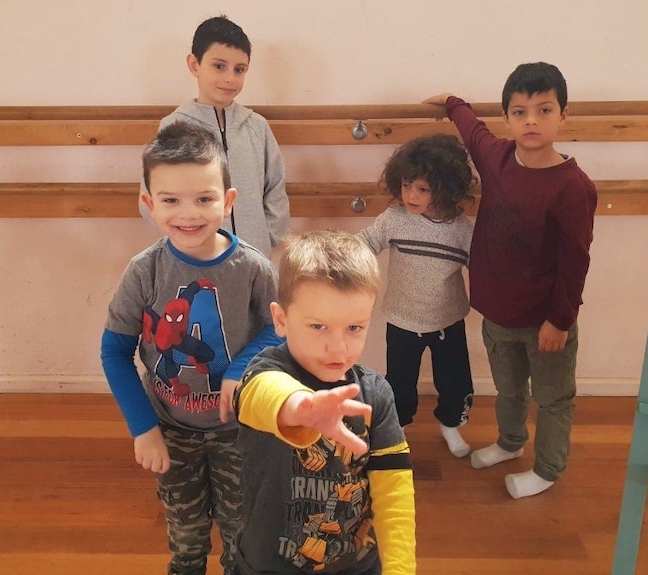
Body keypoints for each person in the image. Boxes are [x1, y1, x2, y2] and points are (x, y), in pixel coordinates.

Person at [102, 121, 283, 575]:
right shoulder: (144, 271)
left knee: (241, 532)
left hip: (238, 430)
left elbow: (277, 329)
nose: (189, 213)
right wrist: (143, 428)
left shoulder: (254, 269)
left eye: (204, 198)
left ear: (229, 201)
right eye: (171, 200)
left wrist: (240, 367)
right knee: (186, 537)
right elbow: (114, 351)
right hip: (170, 429)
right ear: (149, 204)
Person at [424, 62, 597, 499]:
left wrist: (560, 320)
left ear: (564, 115)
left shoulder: (572, 187)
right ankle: (509, 441)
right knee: (508, 388)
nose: (531, 121)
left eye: (544, 110)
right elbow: (470, 128)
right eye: (520, 112)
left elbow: (575, 261)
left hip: (546, 323)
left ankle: (548, 468)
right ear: (508, 118)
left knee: (553, 398)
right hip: (498, 314)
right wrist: (451, 102)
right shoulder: (496, 156)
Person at [233, 231, 416, 575]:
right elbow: (263, 394)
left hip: (356, 564)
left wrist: (400, 569)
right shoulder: (262, 371)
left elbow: (394, 490)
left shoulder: (376, 393)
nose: (338, 348)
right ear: (281, 319)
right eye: (318, 326)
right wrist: (302, 407)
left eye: (354, 327)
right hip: (267, 564)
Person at [357, 134, 476, 458]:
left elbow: (484, 269)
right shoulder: (394, 219)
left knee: (455, 381)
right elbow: (364, 243)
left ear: (445, 187)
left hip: (447, 320)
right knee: (399, 382)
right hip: (401, 318)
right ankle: (398, 429)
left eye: (422, 189)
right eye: (407, 185)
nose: (411, 195)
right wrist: (335, 256)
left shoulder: (462, 229)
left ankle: (451, 425)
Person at [139, 14, 290, 256]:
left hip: (253, 255)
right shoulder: (174, 125)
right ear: (194, 65)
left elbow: (275, 187)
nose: (230, 78)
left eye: (239, 69)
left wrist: (267, 237)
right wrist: (184, 236)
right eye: (219, 66)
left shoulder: (257, 126)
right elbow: (151, 194)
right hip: (192, 257)